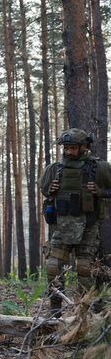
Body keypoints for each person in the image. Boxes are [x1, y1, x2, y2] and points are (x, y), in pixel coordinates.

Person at [38, 128, 111, 315]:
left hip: (88, 226)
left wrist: (100, 191)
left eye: (73, 148)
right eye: (66, 148)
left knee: (85, 269)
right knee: (53, 267)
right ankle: (55, 312)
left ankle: (85, 314)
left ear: (84, 146)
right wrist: (51, 191)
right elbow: (44, 190)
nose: (69, 152)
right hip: (61, 227)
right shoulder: (54, 169)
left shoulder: (100, 167)